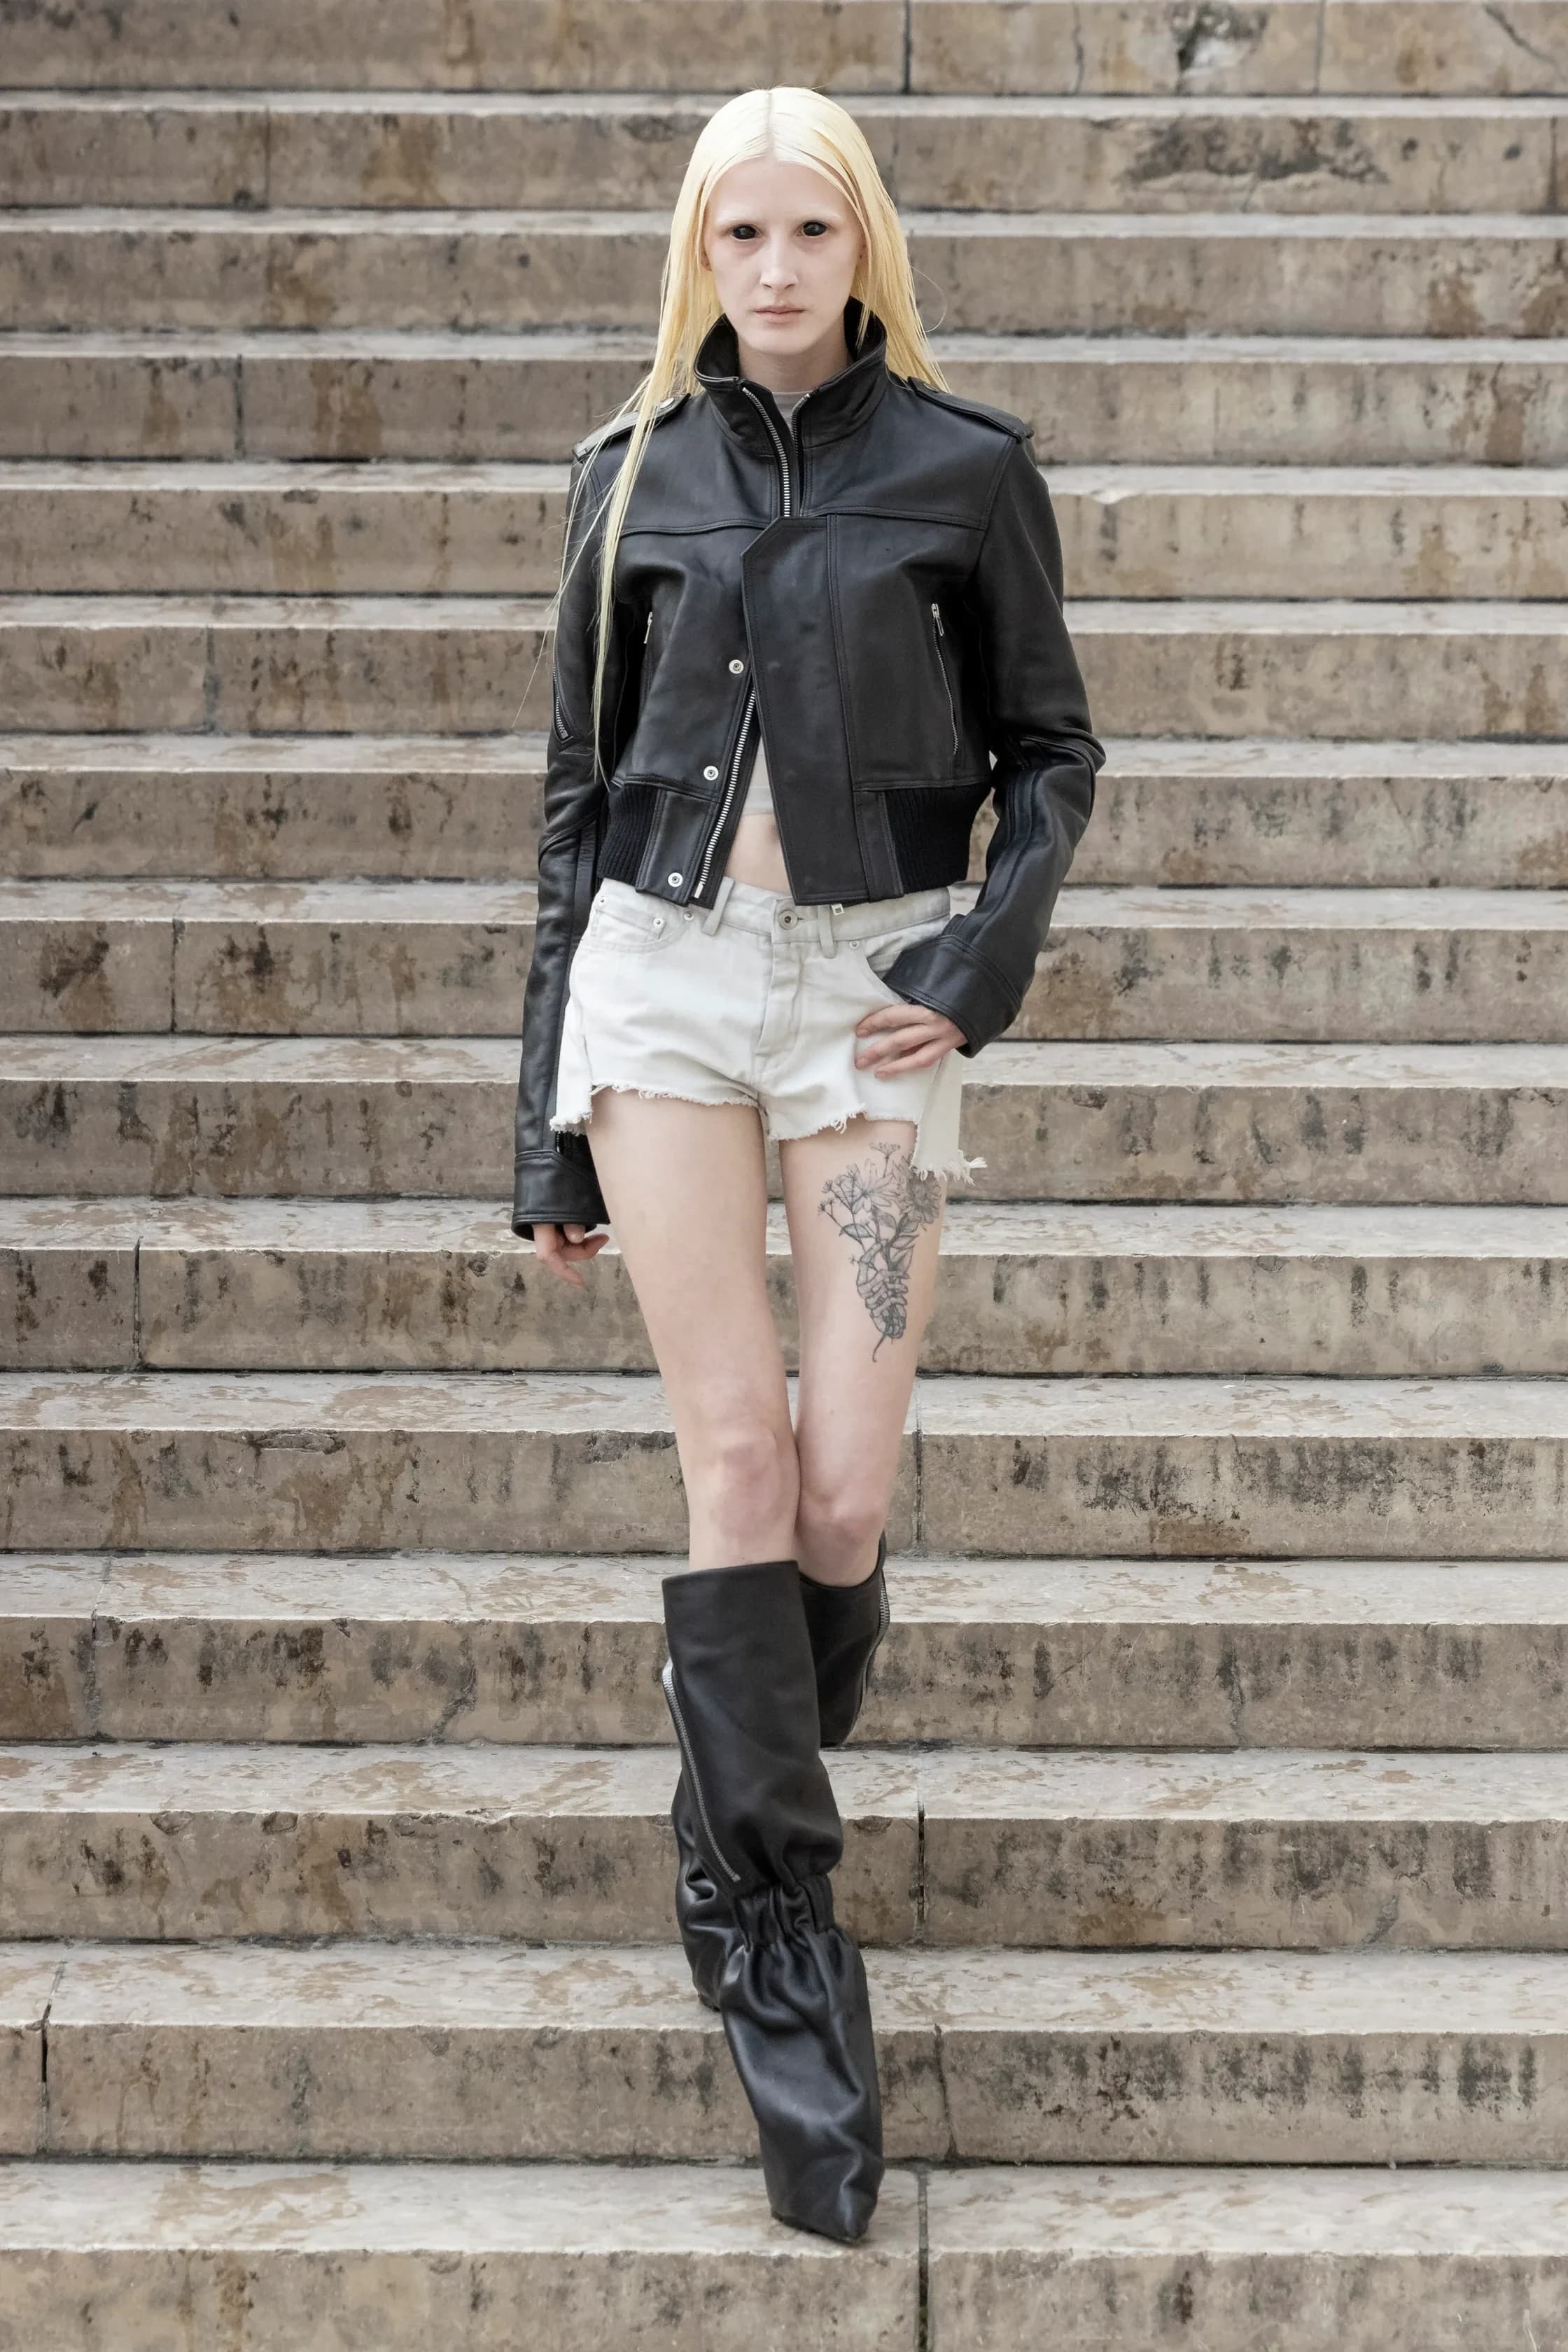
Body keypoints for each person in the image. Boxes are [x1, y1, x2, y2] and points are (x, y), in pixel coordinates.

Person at [510, 85, 1103, 2243]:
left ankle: (719, 1796)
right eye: (738, 233)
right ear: (698, 249)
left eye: (810, 232)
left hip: (869, 1004)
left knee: (843, 1494)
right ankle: (778, 1947)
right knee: (738, 1468)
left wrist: (978, 958)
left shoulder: (966, 468)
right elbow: (572, 802)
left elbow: (1055, 752)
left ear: (867, 248)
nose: (772, 269)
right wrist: (544, 1125)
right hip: (664, 995)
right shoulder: (626, 478)